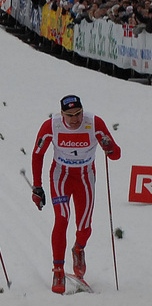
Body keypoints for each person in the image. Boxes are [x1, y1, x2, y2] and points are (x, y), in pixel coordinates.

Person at [29, 95, 121, 293]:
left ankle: (78, 248)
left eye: (78, 114)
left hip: (85, 177)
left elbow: (116, 155)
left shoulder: (94, 123)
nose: (75, 119)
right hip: (61, 176)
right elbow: (37, 155)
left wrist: (109, 147)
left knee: (85, 227)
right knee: (62, 219)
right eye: (69, 115)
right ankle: (58, 269)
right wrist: (37, 187)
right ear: (61, 114)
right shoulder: (51, 126)